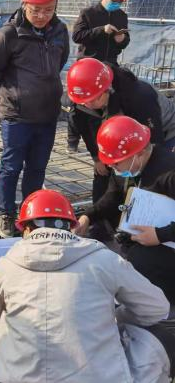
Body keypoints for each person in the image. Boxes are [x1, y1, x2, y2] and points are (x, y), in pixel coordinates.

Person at [0, 188, 173, 383]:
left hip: (15, 378)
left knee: (6, 318)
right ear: (71, 226)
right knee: (158, 337)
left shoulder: (6, 265)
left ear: (26, 229)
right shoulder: (105, 260)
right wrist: (115, 317)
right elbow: (157, 308)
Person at [0, 0, 70, 237]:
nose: (42, 15)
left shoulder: (60, 31)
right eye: (36, 10)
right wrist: (12, 94)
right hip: (17, 116)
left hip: (47, 115)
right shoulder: (8, 35)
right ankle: (6, 214)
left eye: (48, 9)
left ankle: (30, 212)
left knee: (37, 168)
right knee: (11, 166)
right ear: (24, 4)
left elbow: (60, 62)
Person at [75, 115, 175, 303]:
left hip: (167, 241)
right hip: (147, 235)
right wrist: (88, 217)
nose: (112, 167)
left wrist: (160, 235)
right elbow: (113, 197)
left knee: (141, 260)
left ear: (140, 153)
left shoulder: (169, 171)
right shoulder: (127, 168)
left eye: (116, 163)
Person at [67, 57, 175, 212]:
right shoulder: (84, 95)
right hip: (125, 133)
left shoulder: (138, 96)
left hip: (165, 132)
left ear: (107, 88)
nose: (89, 105)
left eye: (95, 99)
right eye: (85, 102)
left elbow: (152, 145)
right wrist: (97, 157)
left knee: (154, 179)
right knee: (109, 179)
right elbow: (85, 129)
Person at [68, 0, 132, 153]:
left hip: (109, 66)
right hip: (88, 65)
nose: (117, 3)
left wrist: (122, 39)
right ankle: (72, 140)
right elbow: (77, 36)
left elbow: (125, 42)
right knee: (78, 105)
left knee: (110, 104)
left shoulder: (121, 16)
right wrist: (101, 30)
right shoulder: (88, 13)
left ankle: (103, 139)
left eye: (120, 1)